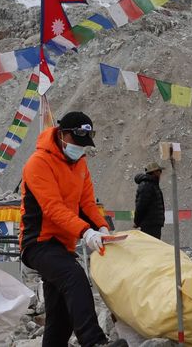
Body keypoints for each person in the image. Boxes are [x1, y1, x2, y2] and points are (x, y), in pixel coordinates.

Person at [20, 111, 127, 347]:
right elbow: (53, 208)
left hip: (63, 244)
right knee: (74, 276)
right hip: (38, 242)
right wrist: (86, 232)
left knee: (60, 319)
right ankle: (94, 342)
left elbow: (86, 203)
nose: (80, 148)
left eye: (84, 144)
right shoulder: (38, 163)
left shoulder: (80, 164)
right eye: (76, 142)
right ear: (62, 134)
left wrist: (101, 226)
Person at [133, 162, 165, 239]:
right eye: (159, 171)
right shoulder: (147, 185)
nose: (160, 174)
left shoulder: (152, 184)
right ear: (154, 172)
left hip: (153, 224)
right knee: (152, 248)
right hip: (149, 225)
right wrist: (137, 222)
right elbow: (141, 206)